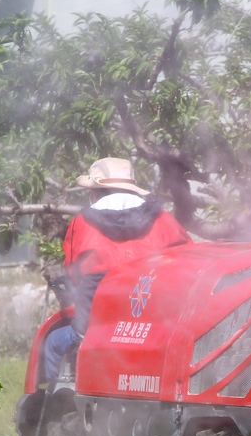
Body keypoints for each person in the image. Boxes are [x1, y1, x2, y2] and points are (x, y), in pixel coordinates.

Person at [43, 157, 190, 381]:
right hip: (154, 329)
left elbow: (73, 272)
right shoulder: (163, 218)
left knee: (52, 342)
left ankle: (53, 404)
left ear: (95, 193)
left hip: (96, 328)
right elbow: (188, 262)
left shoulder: (82, 222)